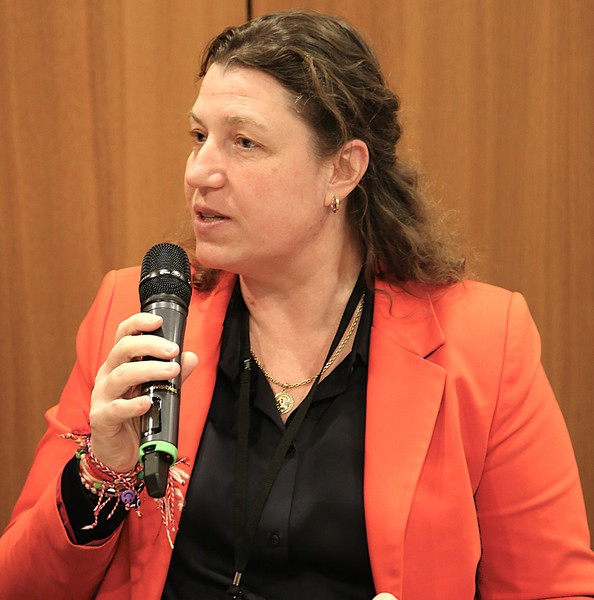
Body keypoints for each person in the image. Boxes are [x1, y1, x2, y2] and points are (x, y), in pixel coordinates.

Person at [1, 8, 593, 599]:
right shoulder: (135, 316)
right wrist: (101, 472)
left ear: (342, 169)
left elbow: (554, 590)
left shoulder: (483, 343)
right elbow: (21, 585)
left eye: (245, 142)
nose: (200, 172)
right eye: (199, 137)